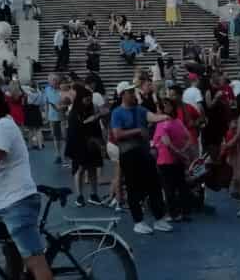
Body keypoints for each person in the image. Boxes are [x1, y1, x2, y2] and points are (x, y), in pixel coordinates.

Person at [0, 86, 57, 280]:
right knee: (12, 253)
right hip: (7, 202)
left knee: (35, 261)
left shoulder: (2, 127)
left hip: (16, 203)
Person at [111, 81, 172, 234]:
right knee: (133, 188)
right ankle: (138, 221)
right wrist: (137, 131)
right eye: (130, 92)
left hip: (144, 152)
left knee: (154, 185)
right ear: (123, 95)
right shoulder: (117, 112)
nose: (133, 94)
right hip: (129, 153)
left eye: (133, 91)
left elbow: (151, 117)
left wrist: (165, 116)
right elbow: (117, 134)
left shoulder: (140, 109)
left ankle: (159, 219)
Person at [64, 83, 104, 206]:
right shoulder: (74, 112)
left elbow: (97, 126)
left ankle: (93, 194)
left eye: (90, 99)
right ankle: (79, 196)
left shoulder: (91, 108)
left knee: (92, 168)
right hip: (79, 144)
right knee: (80, 169)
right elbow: (74, 130)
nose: (89, 101)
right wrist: (88, 121)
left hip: (91, 143)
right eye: (86, 99)